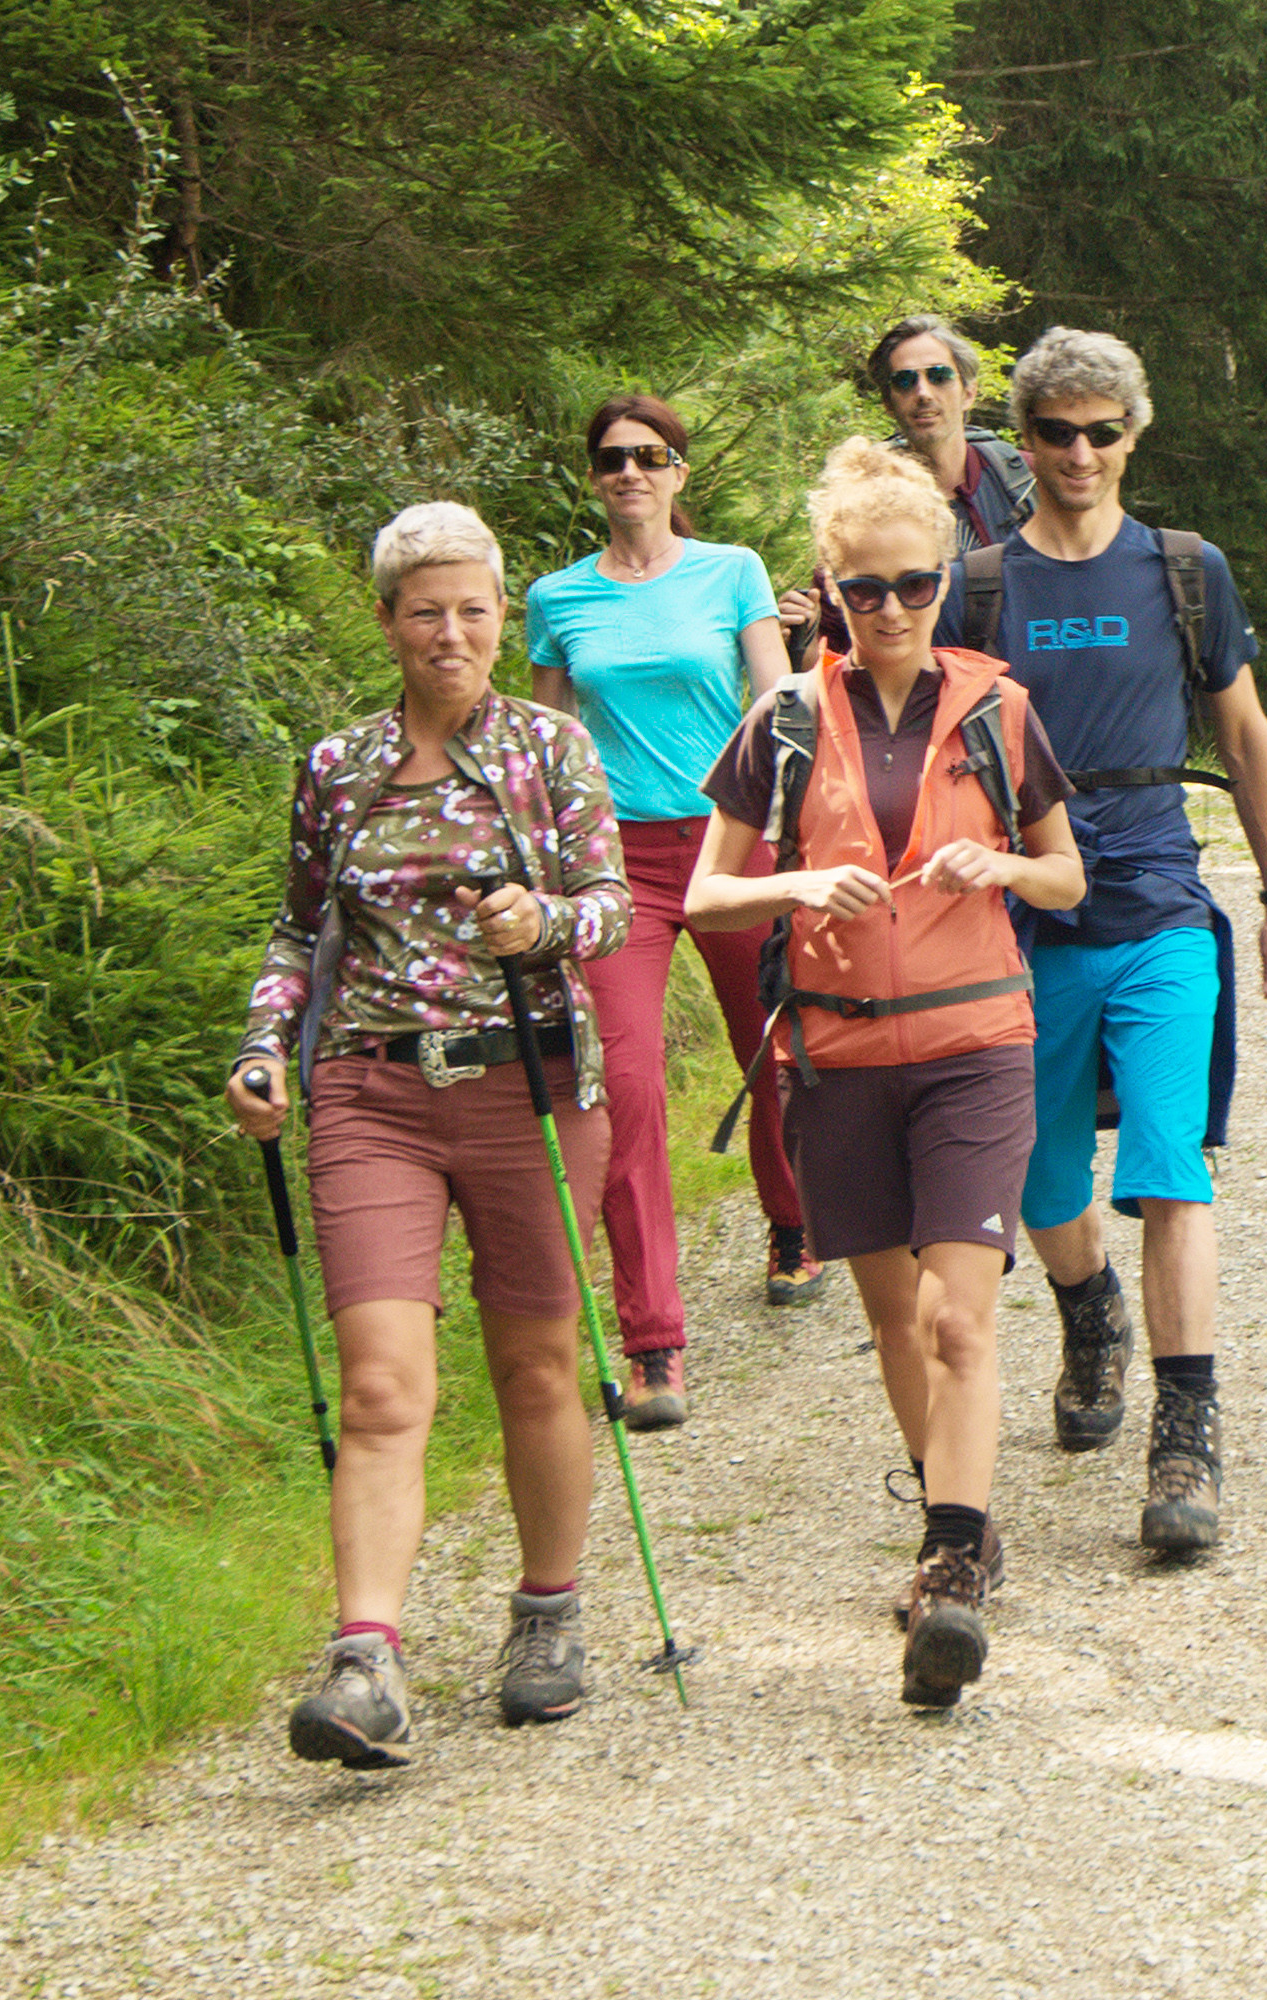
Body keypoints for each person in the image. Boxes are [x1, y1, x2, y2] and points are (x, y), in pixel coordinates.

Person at [227, 501, 631, 1767]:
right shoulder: (335, 766)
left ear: (501, 615)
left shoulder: (550, 750)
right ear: (387, 621)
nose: (450, 634)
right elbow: (299, 931)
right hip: (370, 1093)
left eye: (472, 609)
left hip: (529, 1087)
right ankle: (365, 1662)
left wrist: (543, 924)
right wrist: (260, 1045)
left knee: (536, 1365)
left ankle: (548, 1615)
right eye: (424, 611)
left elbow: (611, 906)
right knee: (381, 1383)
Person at [686, 438, 1084, 1707]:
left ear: (944, 582)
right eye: (866, 591)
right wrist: (798, 879)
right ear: (830, 587)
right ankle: (951, 1525)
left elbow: (1067, 876)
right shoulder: (785, 724)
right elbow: (704, 894)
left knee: (956, 1314)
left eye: (916, 586)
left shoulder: (1000, 709)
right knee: (888, 1317)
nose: (895, 610)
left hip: (977, 1046)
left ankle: (952, 1566)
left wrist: (1005, 872)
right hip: (838, 1051)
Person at [931, 326, 1267, 1554]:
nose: (1080, 453)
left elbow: (1245, 734)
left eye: (1103, 431)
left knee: (1169, 1169)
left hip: (1156, 905)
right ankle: (1087, 1309)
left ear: (1132, 436)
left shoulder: (1185, 571)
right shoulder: (977, 584)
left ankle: (1184, 1431)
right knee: (1042, 1185)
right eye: (1056, 432)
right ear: (1024, 441)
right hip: (1019, 924)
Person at [527, 394, 821, 1435]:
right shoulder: (555, 596)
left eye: (649, 455)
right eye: (611, 457)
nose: (629, 472)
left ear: (677, 472)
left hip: (727, 839)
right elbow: (545, 738)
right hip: (616, 865)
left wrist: (787, 830)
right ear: (593, 475)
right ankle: (653, 1337)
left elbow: (777, 699)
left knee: (771, 1045)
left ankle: (793, 1222)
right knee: (628, 1082)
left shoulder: (730, 570)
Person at [777, 316, 1035, 661]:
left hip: (1016, 692)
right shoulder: (860, 499)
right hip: (909, 703)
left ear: (969, 392)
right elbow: (834, 654)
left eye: (939, 376)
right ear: (888, 402)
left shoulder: (1023, 482)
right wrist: (802, 636)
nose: (923, 393)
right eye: (904, 381)